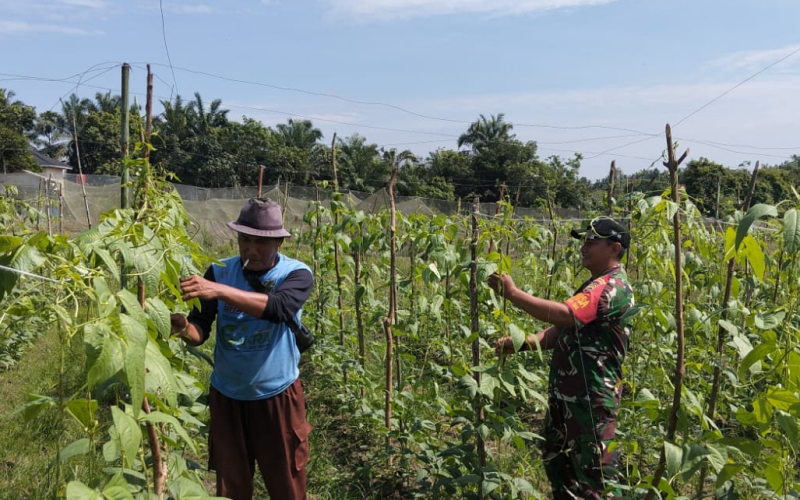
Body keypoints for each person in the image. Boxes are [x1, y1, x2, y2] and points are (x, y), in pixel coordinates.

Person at [170, 198, 314, 500]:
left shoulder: (296, 274)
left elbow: (278, 308)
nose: (252, 249)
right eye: (244, 240)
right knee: (231, 485)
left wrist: (219, 291)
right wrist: (181, 327)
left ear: (278, 241)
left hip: (277, 395)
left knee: (287, 482)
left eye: (261, 242)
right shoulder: (219, 272)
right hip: (228, 396)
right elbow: (201, 329)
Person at [488, 216, 634, 500]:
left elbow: (567, 315)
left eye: (591, 241)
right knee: (560, 469)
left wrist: (513, 294)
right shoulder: (592, 285)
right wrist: (521, 343)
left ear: (614, 248)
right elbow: (559, 331)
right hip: (567, 399)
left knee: (597, 478)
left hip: (591, 400)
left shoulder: (612, 287)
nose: (584, 247)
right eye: (584, 241)